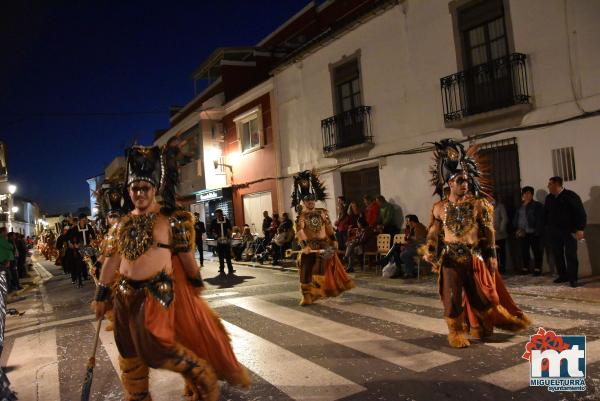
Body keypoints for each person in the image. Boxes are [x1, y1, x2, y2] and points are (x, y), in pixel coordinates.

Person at [94, 145, 249, 401]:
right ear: (128, 191)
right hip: (123, 294)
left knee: (156, 347)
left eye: (145, 188)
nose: (140, 193)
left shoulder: (172, 219)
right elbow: (111, 261)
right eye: (135, 188)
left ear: (155, 189)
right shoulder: (120, 224)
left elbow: (187, 257)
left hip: (157, 293)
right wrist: (101, 294)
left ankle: (201, 376)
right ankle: (138, 395)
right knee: (128, 349)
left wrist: (194, 281)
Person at [422, 139, 530, 348]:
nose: (465, 184)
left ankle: (481, 327)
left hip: (474, 257)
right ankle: (456, 333)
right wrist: (430, 249)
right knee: (452, 298)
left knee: (484, 296)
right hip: (451, 259)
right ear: (450, 183)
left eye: (467, 181)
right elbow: (433, 232)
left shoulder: (479, 205)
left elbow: (488, 233)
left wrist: (492, 257)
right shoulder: (439, 208)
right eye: (461, 180)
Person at [292, 170, 355, 305]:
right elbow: (299, 232)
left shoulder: (322, 213)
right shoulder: (301, 216)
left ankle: (324, 289)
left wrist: (334, 240)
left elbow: (328, 227)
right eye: (308, 200)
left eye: (312, 200)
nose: (311, 202)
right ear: (303, 201)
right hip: (310, 245)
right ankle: (307, 294)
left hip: (324, 244)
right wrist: (305, 246)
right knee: (306, 265)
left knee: (328, 262)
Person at [544, 176, 587, 287]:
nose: (548, 186)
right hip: (554, 231)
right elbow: (546, 214)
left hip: (569, 231)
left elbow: (580, 213)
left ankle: (573, 278)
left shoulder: (571, 196)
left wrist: (580, 228)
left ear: (557, 184)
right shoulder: (549, 198)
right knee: (557, 254)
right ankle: (563, 275)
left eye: (550, 184)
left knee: (570, 254)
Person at [514, 186, 544, 276]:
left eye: (529, 193)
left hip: (533, 231)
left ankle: (537, 268)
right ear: (522, 195)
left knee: (536, 250)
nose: (527, 195)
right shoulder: (520, 205)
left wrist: (538, 230)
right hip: (522, 232)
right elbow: (517, 217)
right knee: (524, 251)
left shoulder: (537, 205)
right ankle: (526, 268)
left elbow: (540, 219)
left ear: (532, 195)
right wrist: (515, 226)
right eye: (525, 193)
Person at [210, 209, 235, 277]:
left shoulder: (226, 220)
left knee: (228, 256)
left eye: (219, 214)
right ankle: (221, 269)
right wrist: (215, 236)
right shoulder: (214, 221)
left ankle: (230, 269)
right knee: (220, 256)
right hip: (219, 241)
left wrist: (229, 236)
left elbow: (230, 229)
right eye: (217, 214)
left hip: (226, 240)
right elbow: (211, 230)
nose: (218, 215)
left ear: (221, 213)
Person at [492, 196, 509, 274]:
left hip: (500, 233)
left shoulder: (500, 206)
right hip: (490, 234)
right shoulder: (485, 205)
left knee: (501, 252)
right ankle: (495, 268)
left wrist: (501, 229)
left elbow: (504, 218)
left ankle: (503, 268)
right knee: (493, 252)